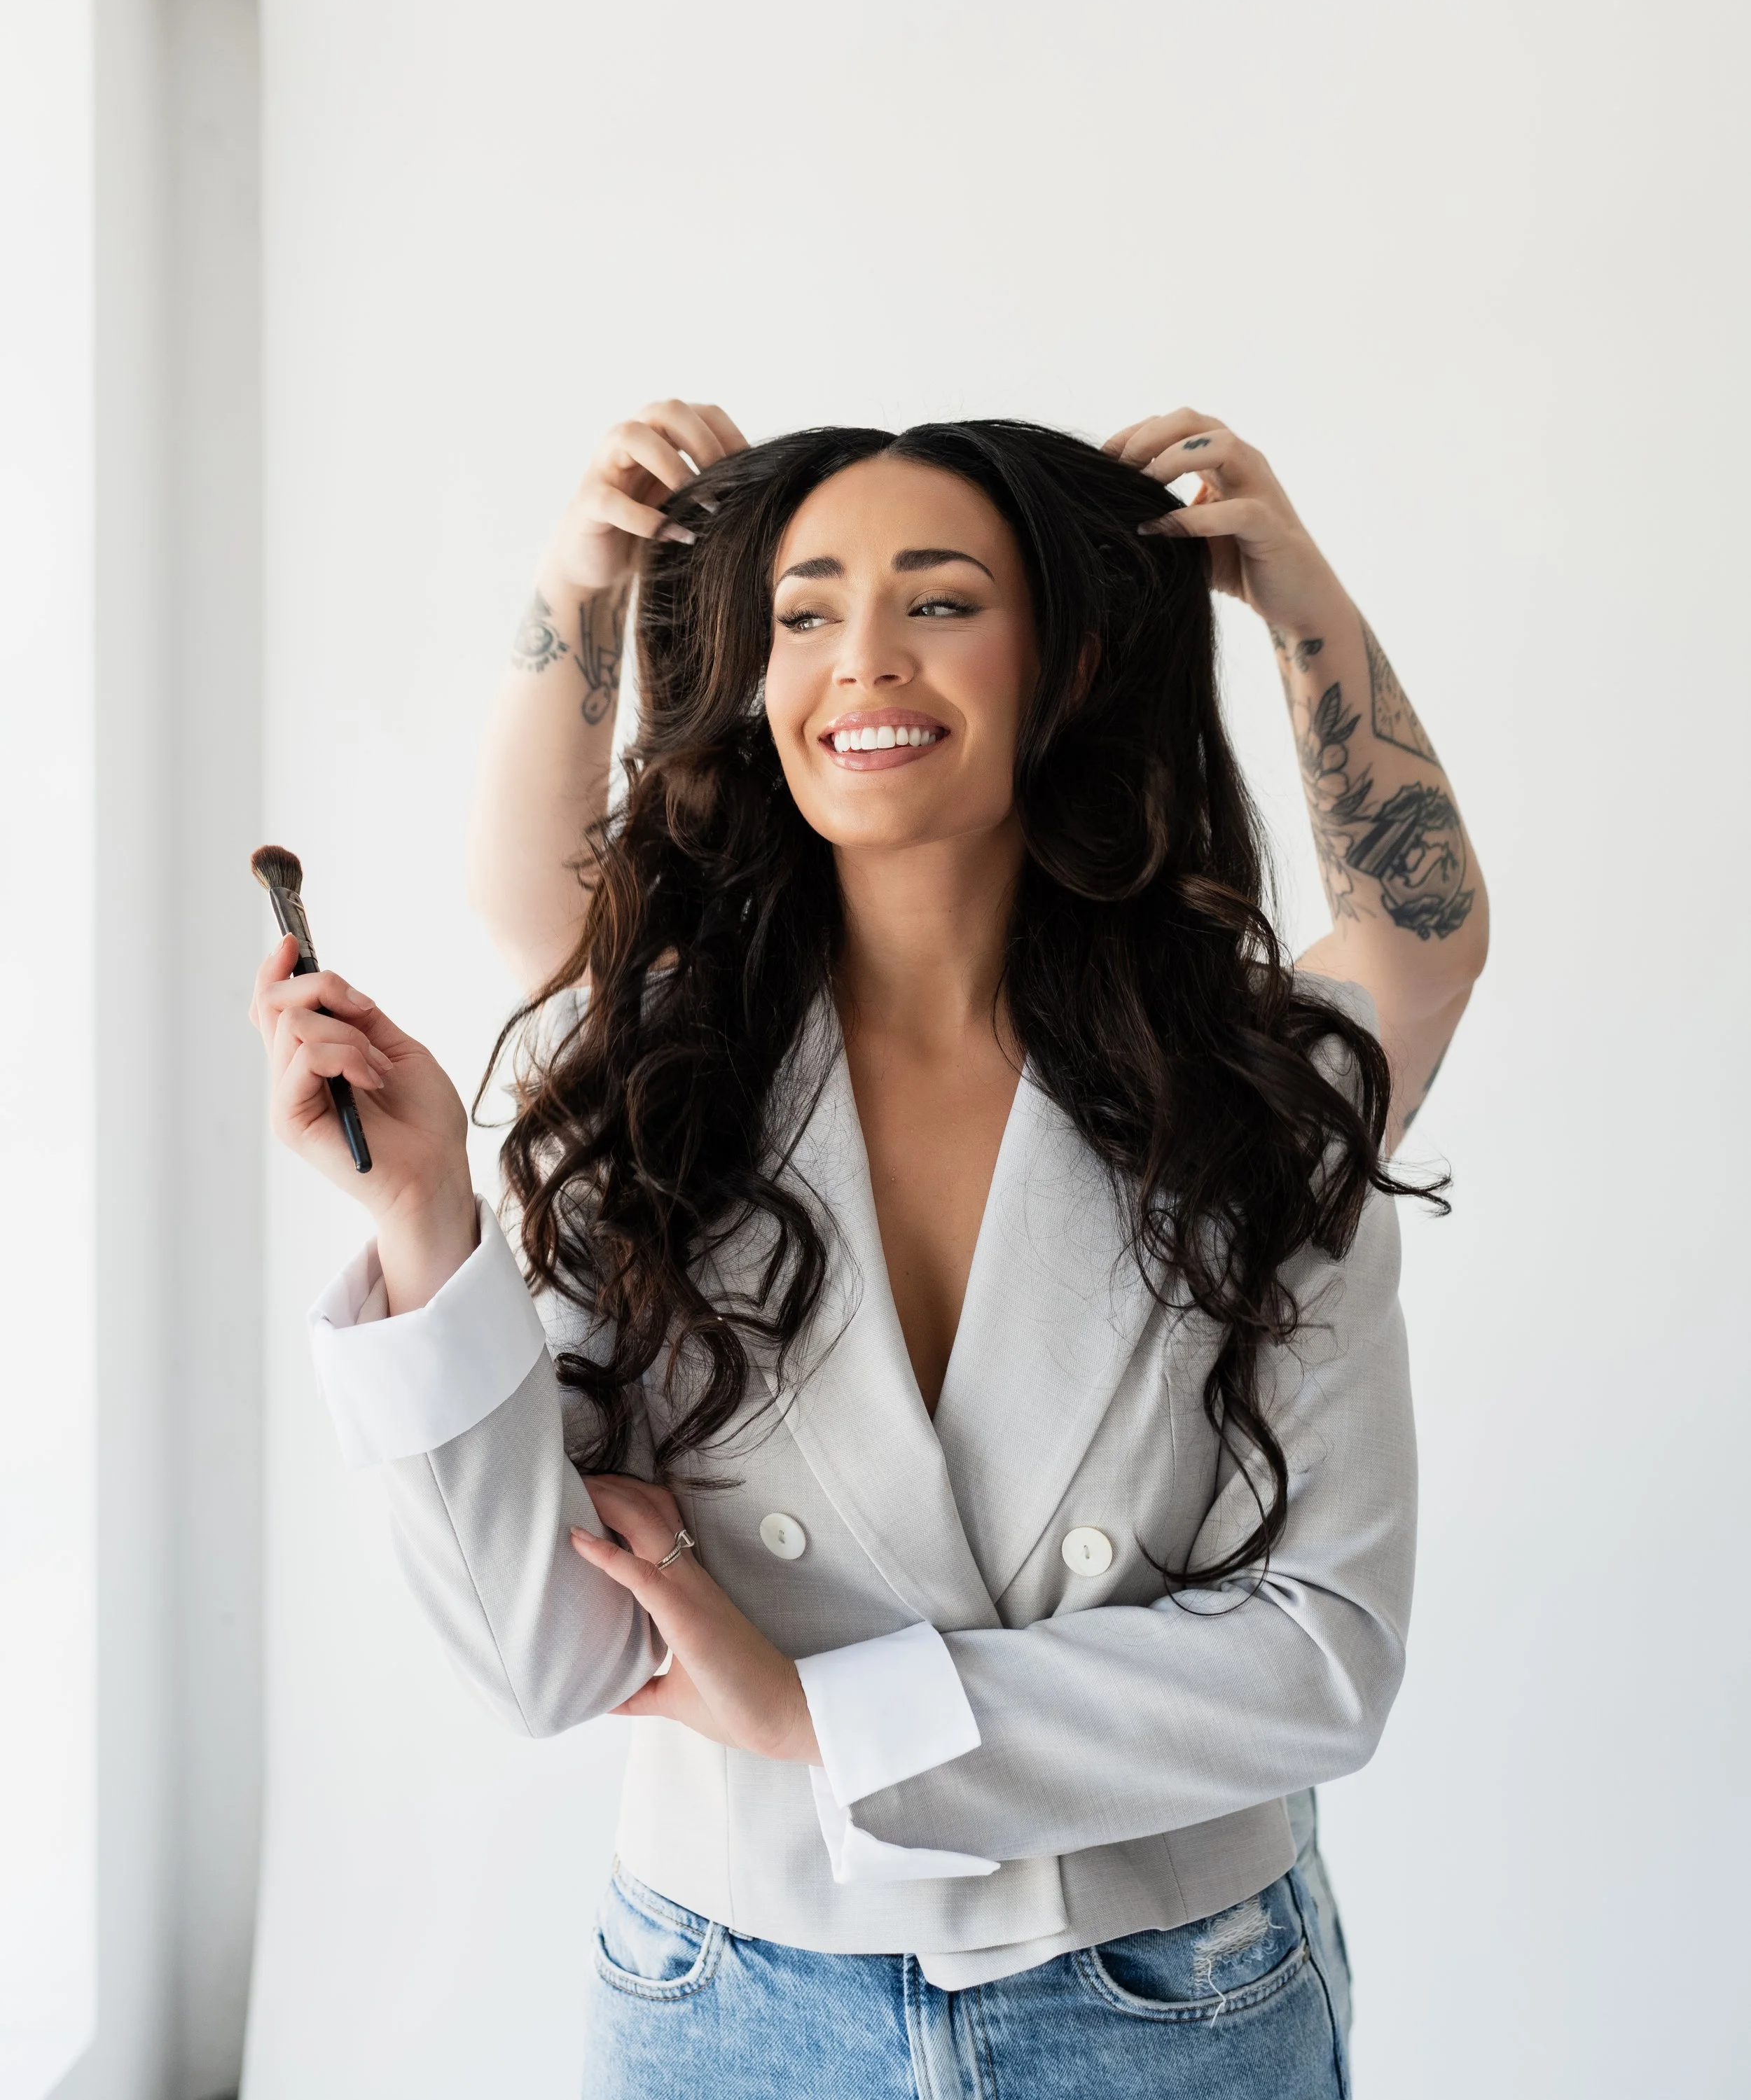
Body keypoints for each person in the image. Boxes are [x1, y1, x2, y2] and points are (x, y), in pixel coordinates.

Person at [252, 405, 1487, 2099]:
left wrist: (1293, 600)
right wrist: (419, 1222)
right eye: (804, 610)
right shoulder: (663, 1083)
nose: (864, 659)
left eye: (941, 598)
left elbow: (1322, 1661)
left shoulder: (1249, 1095)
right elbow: (544, 1653)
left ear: (1062, 663)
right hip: (724, 1993)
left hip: (1171, 1998)